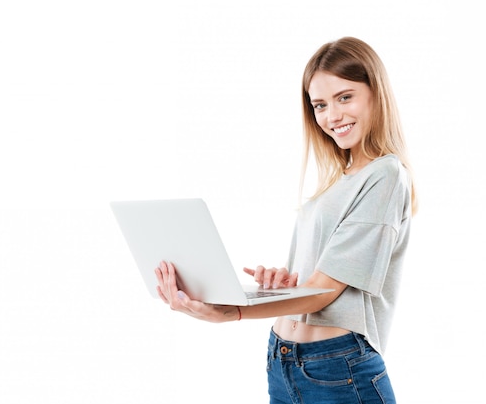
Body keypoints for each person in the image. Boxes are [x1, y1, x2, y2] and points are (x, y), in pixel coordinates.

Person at [155, 36, 416, 404]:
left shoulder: (386, 175)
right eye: (320, 105)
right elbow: (314, 285)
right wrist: (284, 286)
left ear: (377, 93)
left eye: (345, 97)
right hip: (283, 362)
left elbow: (325, 293)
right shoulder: (337, 181)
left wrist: (232, 312)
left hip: (336, 370)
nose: (332, 116)